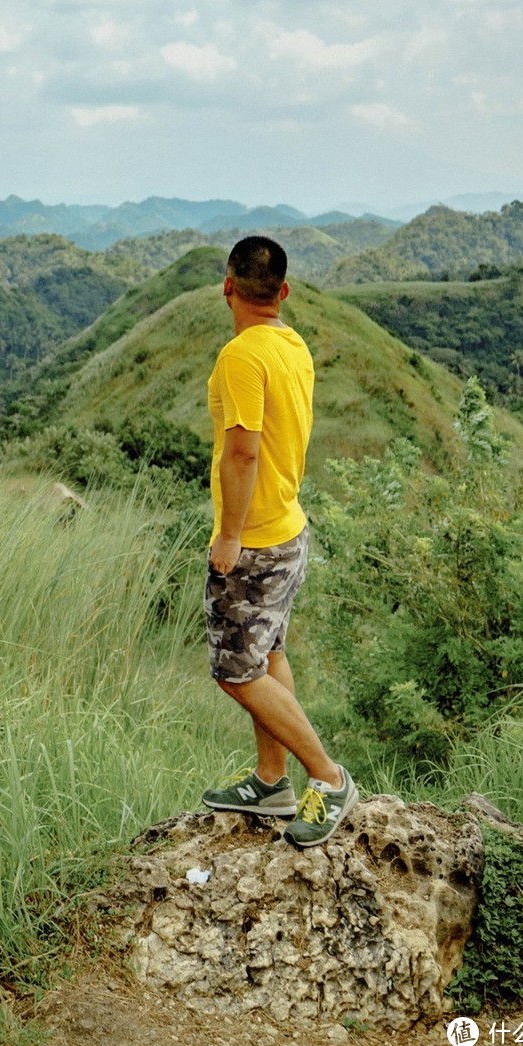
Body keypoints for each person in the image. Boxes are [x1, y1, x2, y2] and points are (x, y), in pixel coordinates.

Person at [201, 235, 358, 846]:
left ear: (228, 286)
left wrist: (230, 537)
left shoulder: (241, 356)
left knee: (236, 672)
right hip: (290, 529)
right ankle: (272, 781)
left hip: (257, 540)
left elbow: (242, 451)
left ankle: (329, 777)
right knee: (268, 656)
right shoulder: (293, 344)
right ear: (284, 291)